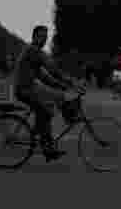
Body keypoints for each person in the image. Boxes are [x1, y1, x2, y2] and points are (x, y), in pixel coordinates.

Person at [13, 26, 82, 160]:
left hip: (28, 88)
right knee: (45, 111)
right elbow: (52, 69)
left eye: (45, 37)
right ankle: (47, 146)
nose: (44, 39)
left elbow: (44, 77)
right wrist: (70, 82)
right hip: (24, 90)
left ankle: (40, 137)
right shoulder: (33, 51)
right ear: (34, 37)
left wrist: (62, 85)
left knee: (50, 107)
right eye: (41, 36)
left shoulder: (34, 54)